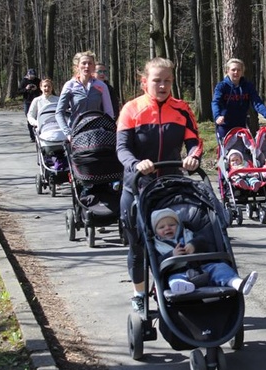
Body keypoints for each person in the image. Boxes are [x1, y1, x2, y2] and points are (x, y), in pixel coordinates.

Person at [116, 57, 203, 313]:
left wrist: (193, 157)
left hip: (171, 188)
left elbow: (195, 142)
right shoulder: (131, 109)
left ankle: (176, 286)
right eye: (157, 80)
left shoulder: (182, 109)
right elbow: (122, 149)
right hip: (137, 187)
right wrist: (135, 164)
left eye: (167, 81)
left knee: (175, 239)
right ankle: (139, 293)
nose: (162, 85)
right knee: (138, 245)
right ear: (145, 82)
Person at [151, 208, 258, 295]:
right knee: (173, 279)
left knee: (220, 267)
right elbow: (156, 263)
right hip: (178, 273)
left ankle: (237, 283)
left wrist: (193, 245)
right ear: (155, 231)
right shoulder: (156, 245)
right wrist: (171, 255)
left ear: (179, 225)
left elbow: (203, 241)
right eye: (161, 227)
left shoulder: (188, 233)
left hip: (202, 268)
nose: (167, 228)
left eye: (172, 225)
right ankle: (181, 287)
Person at [211, 58, 266, 139]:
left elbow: (257, 102)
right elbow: (215, 102)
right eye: (233, 70)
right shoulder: (221, 86)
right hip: (224, 126)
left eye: (239, 70)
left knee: (242, 151)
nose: (236, 72)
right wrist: (217, 116)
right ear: (227, 71)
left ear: (242, 72)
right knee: (226, 151)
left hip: (241, 125)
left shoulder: (248, 86)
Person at [55, 50, 114, 140]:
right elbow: (59, 113)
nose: (87, 66)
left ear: (93, 67)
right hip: (76, 132)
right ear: (77, 66)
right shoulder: (70, 85)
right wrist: (68, 133)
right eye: (84, 63)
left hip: (97, 132)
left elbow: (109, 112)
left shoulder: (101, 86)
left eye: (90, 63)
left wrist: (108, 130)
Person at [18, 68, 42, 142]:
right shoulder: (24, 81)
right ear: (28, 74)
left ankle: (39, 135)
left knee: (38, 118)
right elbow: (19, 92)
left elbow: (42, 89)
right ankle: (32, 137)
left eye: (33, 76)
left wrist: (36, 88)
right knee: (30, 119)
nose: (32, 77)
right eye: (31, 76)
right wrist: (26, 88)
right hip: (27, 102)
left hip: (37, 101)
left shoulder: (38, 80)